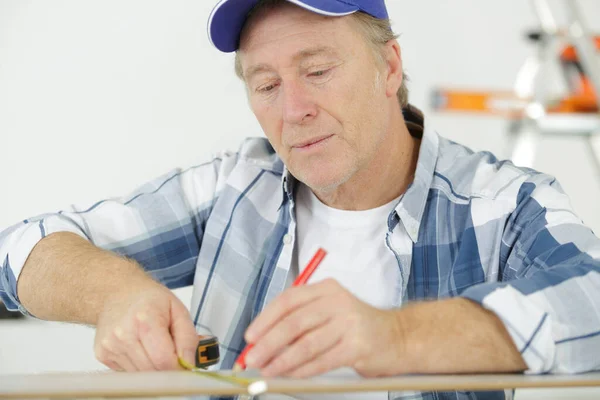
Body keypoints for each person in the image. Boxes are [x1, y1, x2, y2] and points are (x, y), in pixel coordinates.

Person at [1, 0, 600, 398]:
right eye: (266, 85)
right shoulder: (235, 188)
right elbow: (19, 250)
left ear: (388, 67)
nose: (292, 111)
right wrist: (114, 295)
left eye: (316, 71)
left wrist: (392, 339)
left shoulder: (501, 204)